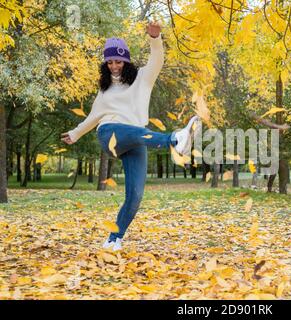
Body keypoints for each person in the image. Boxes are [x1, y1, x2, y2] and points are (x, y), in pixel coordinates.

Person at [61, 21, 200, 252]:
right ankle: (176, 140)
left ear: (126, 61)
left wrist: (155, 39)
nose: (114, 66)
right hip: (110, 134)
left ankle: (114, 239)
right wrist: (75, 134)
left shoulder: (143, 78)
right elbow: (93, 117)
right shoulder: (104, 90)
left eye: (118, 61)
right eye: (110, 62)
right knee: (138, 132)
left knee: (135, 196)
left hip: (138, 138)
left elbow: (157, 60)